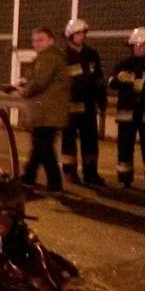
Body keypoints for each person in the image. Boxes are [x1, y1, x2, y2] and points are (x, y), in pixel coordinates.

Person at [17, 27, 71, 192]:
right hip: (48, 112)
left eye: (40, 40)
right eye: (34, 40)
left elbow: (40, 82)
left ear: (51, 41)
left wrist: (24, 91)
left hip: (48, 112)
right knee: (40, 146)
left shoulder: (48, 58)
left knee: (43, 147)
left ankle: (52, 183)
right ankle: (29, 177)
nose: (36, 43)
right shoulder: (49, 58)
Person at [61, 19, 107, 185]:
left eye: (83, 33)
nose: (81, 36)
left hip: (88, 106)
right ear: (70, 36)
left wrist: (102, 101)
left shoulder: (92, 54)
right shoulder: (63, 56)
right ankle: (70, 173)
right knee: (69, 142)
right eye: (78, 33)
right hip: (70, 107)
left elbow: (99, 79)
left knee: (90, 141)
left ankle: (91, 173)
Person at [108, 27, 145, 188]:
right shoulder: (123, 65)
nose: (138, 48)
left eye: (141, 46)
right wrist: (129, 82)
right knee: (124, 148)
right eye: (135, 46)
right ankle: (125, 179)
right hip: (126, 114)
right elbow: (111, 82)